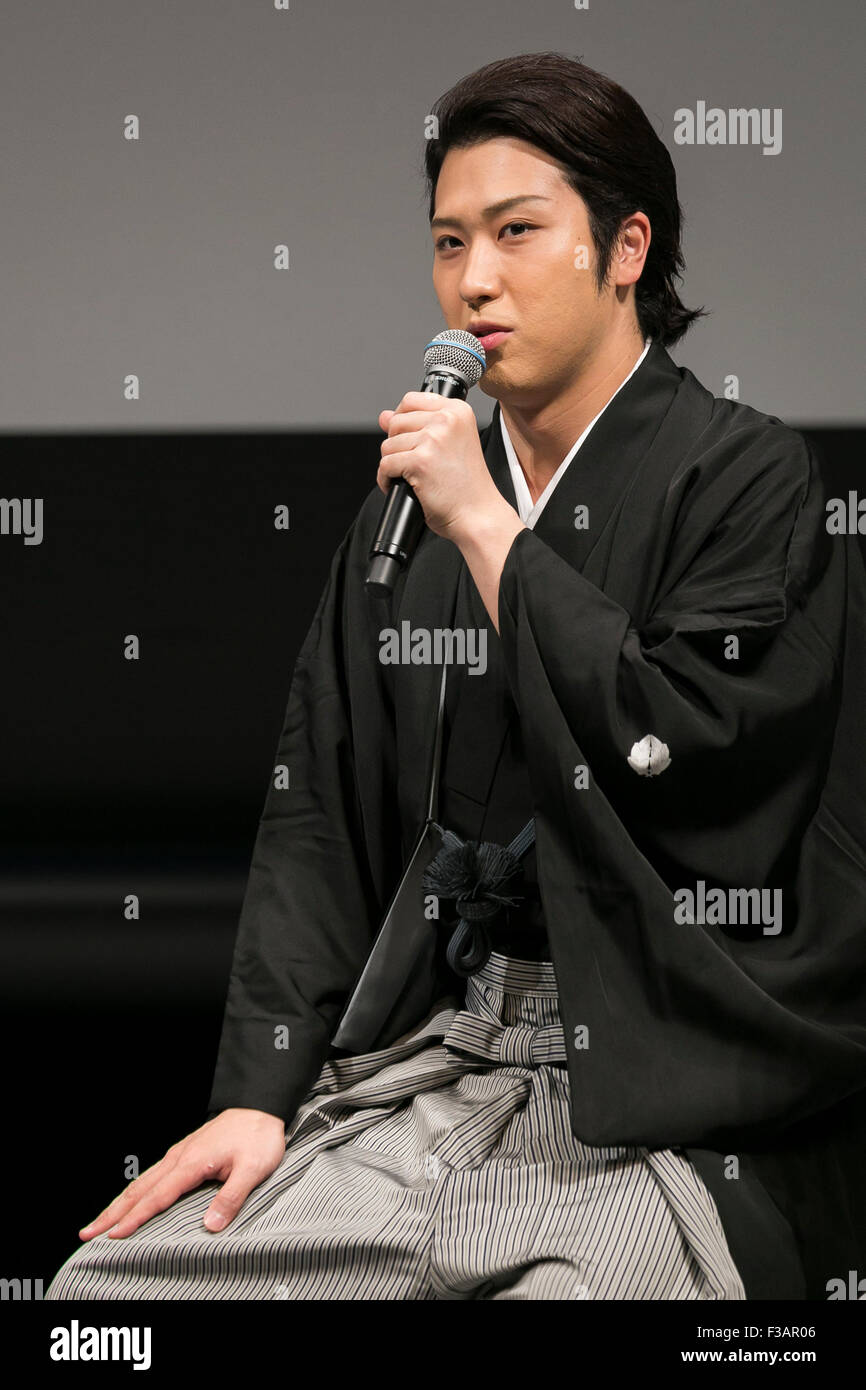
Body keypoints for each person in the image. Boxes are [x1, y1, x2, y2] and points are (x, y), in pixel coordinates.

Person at [46, 51, 866, 1303]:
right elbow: (319, 815)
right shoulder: (410, 516)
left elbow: (691, 751)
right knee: (105, 1305)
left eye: (516, 232)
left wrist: (491, 529)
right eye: (446, 242)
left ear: (624, 248)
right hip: (444, 1057)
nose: (470, 280)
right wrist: (256, 1097)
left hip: (664, 1093)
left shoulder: (744, 481)